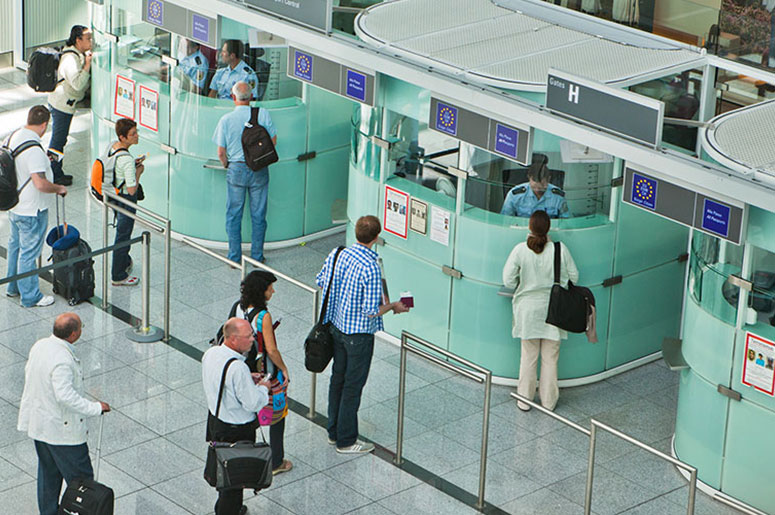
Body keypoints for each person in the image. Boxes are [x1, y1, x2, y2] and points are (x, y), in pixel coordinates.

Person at [316, 215, 409, 454]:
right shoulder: (371, 266)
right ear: (376, 238)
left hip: (336, 327)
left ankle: (333, 431)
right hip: (358, 336)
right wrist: (393, 306)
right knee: (352, 386)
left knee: (337, 379)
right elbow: (370, 311)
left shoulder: (338, 254)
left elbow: (321, 281)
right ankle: (346, 440)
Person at [17, 312, 110, 515]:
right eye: (81, 327)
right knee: (82, 481)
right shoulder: (62, 360)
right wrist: (95, 408)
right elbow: (65, 396)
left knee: (48, 475)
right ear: (74, 334)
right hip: (62, 433)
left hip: (40, 426)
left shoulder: (40, 346)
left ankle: (48, 512)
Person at [502, 210, 578, 411]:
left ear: (529, 227)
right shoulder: (560, 249)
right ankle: (549, 402)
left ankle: (524, 401)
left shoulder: (520, 250)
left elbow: (508, 281)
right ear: (549, 228)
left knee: (528, 357)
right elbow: (575, 278)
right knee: (550, 359)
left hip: (528, 311)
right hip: (555, 310)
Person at [203, 318, 272, 515]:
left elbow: (221, 379)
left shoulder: (211, 354)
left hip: (216, 421)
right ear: (233, 339)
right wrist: (263, 389)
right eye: (248, 336)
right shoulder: (238, 368)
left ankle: (224, 506)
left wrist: (246, 379)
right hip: (237, 429)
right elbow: (252, 403)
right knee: (236, 477)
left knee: (223, 467)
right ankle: (228, 511)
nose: (253, 339)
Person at [4, 105, 67, 307]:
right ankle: (30, 296)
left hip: (14, 205)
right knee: (29, 254)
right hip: (32, 209)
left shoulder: (13, 136)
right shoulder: (35, 150)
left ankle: (12, 287)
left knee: (15, 247)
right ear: (44, 124)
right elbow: (40, 184)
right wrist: (58, 188)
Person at [212, 81, 277, 264]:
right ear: (251, 97)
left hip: (236, 169)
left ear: (233, 98)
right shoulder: (262, 114)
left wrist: (227, 165)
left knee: (234, 214)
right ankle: (257, 256)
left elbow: (220, 152)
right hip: (259, 169)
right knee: (258, 215)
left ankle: (234, 257)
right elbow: (273, 141)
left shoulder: (225, 120)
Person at [235, 270, 292, 475]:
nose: (273, 291)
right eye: (270, 288)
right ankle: (276, 460)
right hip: (263, 372)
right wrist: (283, 369)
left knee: (247, 413)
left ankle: (243, 454)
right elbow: (271, 349)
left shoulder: (237, 307)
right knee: (277, 413)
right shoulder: (263, 316)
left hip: (242, 368)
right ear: (262, 291)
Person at [48, 25, 92, 186]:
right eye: (88, 39)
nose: (91, 42)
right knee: (58, 141)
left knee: (59, 139)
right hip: (61, 105)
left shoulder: (76, 54)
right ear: (78, 40)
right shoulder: (70, 59)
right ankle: (54, 173)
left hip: (63, 103)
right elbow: (78, 84)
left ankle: (54, 171)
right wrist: (87, 65)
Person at [110, 118, 145, 286]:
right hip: (126, 199)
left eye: (136, 132)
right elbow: (132, 189)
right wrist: (139, 171)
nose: (137, 136)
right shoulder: (127, 160)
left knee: (121, 233)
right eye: (132, 134)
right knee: (123, 236)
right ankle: (118, 275)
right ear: (123, 137)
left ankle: (124, 262)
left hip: (114, 195)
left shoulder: (113, 147)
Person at [500, 154, 569, 219]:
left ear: (548, 179)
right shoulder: (515, 195)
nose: (538, 188)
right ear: (529, 177)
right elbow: (506, 219)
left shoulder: (558, 197)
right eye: (535, 183)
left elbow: (566, 222)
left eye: (541, 185)